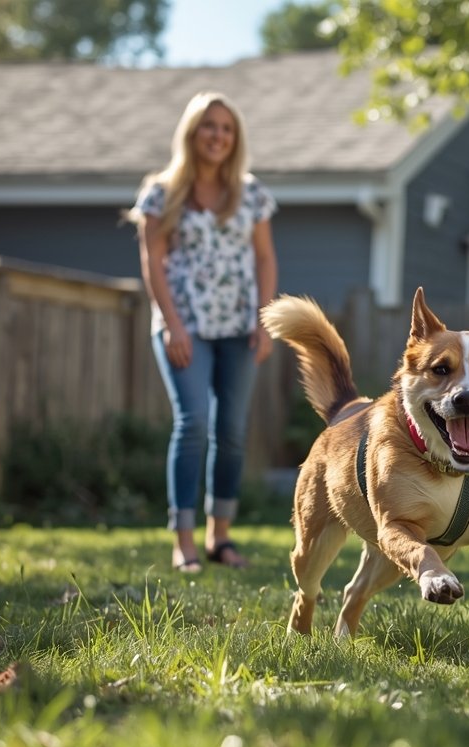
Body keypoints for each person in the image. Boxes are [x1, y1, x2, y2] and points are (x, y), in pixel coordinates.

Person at [127, 91, 278, 572]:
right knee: (192, 423)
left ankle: (220, 537)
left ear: (236, 138)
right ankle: (183, 540)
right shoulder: (161, 192)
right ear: (192, 133)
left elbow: (265, 259)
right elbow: (152, 261)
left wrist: (264, 321)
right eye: (210, 126)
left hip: (239, 328)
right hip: (184, 327)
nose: (218, 135)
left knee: (230, 431)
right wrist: (172, 325)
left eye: (227, 128)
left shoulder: (250, 193)